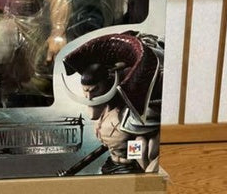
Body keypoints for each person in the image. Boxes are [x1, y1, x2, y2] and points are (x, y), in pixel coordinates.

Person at [62, 31, 163, 174]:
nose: (89, 96)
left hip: (130, 168)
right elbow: (94, 116)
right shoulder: (105, 112)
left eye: (94, 90)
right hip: (110, 165)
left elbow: (139, 144)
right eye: (86, 91)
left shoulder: (132, 111)